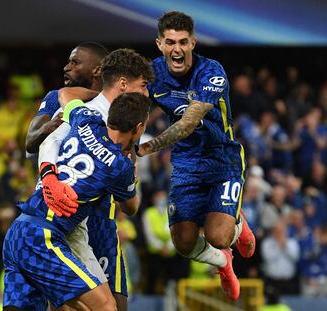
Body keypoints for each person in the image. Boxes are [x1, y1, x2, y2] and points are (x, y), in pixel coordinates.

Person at [136, 11, 255, 300]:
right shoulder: (152, 74)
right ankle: (223, 263)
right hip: (187, 163)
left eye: (183, 42)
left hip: (222, 159)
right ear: (159, 44)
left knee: (219, 236)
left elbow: (189, 122)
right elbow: (134, 104)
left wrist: (148, 147)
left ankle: (236, 223)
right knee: (184, 244)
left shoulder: (211, 71)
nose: (177, 49)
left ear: (193, 43)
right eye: (170, 42)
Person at [25, 47, 154, 310]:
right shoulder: (78, 106)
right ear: (122, 84)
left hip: (102, 220)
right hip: (66, 211)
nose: (67, 68)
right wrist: (48, 175)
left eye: (75, 62)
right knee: (68, 302)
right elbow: (39, 143)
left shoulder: (129, 116)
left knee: (115, 304)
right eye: (142, 85)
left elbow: (128, 169)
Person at [25, 42, 108, 154]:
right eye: (69, 62)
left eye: (75, 63)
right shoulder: (55, 97)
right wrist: (48, 128)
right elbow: (30, 142)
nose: (66, 68)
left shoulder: (113, 104)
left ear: (97, 71)